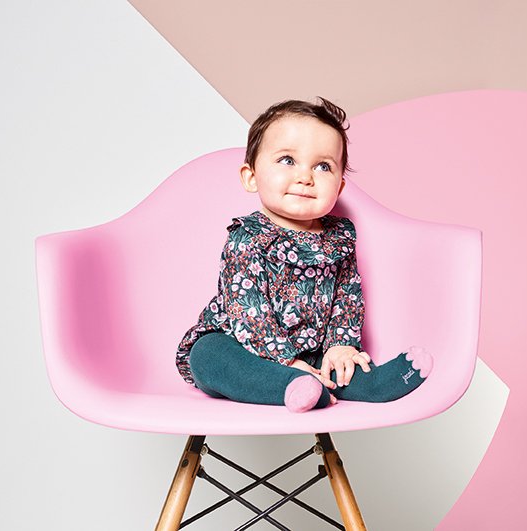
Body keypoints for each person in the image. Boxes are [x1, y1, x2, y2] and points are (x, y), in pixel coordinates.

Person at [175, 97, 433, 413]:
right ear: (251, 177)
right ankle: (290, 384)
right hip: (244, 345)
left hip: (311, 351)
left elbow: (347, 297)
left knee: (337, 364)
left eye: (323, 166)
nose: (305, 177)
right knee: (208, 355)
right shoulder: (247, 237)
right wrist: (286, 360)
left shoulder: (338, 240)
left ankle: (372, 384)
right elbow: (247, 309)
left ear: (339, 188)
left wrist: (341, 345)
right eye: (287, 160)